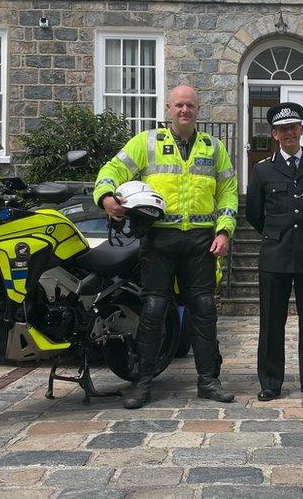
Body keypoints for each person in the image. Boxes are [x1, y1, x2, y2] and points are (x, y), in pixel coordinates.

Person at [93, 85, 238, 409]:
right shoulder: (146, 142)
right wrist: (105, 196)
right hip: (160, 238)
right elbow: (112, 170)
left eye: (190, 106)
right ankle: (143, 383)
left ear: (198, 110)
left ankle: (208, 381)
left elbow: (228, 191)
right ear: (168, 109)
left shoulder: (214, 148)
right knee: (154, 310)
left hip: (201, 240)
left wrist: (224, 230)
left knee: (204, 310)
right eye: (179, 105)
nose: (184, 110)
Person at [245, 102, 303, 402]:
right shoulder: (262, 170)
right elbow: (254, 213)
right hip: (275, 253)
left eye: (293, 127)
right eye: (282, 129)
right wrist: (276, 234)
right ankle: (271, 382)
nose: (288, 133)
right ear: (274, 134)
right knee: (271, 322)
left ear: (301, 129)